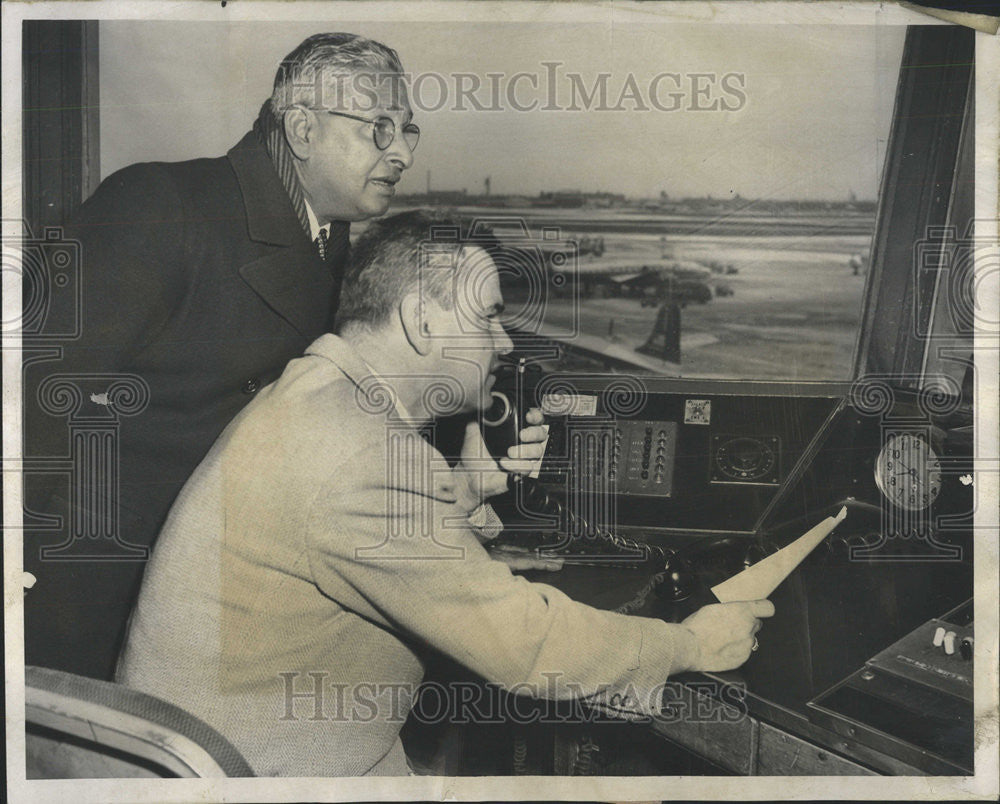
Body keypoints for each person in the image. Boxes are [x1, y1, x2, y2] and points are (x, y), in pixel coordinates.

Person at [116, 211, 774, 776]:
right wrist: (692, 643)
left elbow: (350, 541)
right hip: (273, 775)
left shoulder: (307, 399)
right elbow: (525, 647)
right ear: (421, 321)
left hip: (231, 750)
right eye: (487, 316)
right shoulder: (363, 453)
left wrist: (469, 487)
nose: (504, 340)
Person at [22, 32, 418, 680]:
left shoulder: (330, 244)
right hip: (84, 603)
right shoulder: (159, 208)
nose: (400, 152)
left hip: (209, 595)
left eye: (408, 131)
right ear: (301, 128)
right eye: (379, 128)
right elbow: (31, 396)